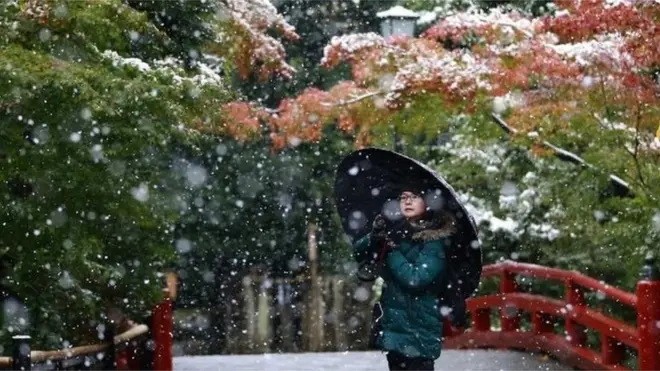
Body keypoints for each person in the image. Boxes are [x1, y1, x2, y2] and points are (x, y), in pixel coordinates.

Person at [353, 187, 456, 371]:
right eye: (403, 197)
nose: (407, 201)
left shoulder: (434, 240)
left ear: (427, 203)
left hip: (420, 329)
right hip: (394, 326)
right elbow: (358, 252)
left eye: (415, 197)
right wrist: (374, 237)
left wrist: (392, 252)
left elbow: (415, 279)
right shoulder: (393, 230)